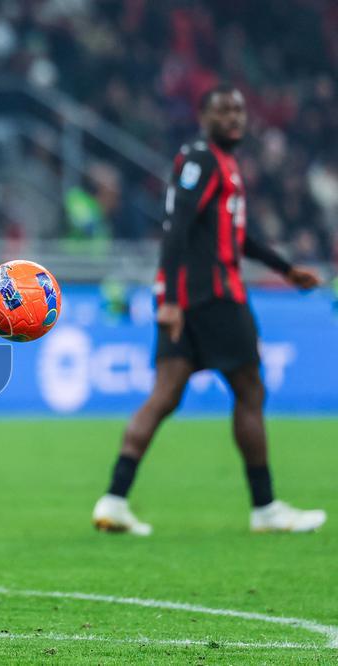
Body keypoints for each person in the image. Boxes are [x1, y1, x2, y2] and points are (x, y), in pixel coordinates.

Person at [92, 84, 327, 535]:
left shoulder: (221, 164)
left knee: (164, 395)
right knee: (251, 391)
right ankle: (265, 508)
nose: (234, 118)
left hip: (187, 299)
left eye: (239, 110)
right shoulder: (202, 160)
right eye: (223, 110)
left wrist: (285, 269)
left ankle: (114, 498)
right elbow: (177, 227)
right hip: (213, 297)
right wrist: (174, 301)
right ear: (203, 116)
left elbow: (238, 236)